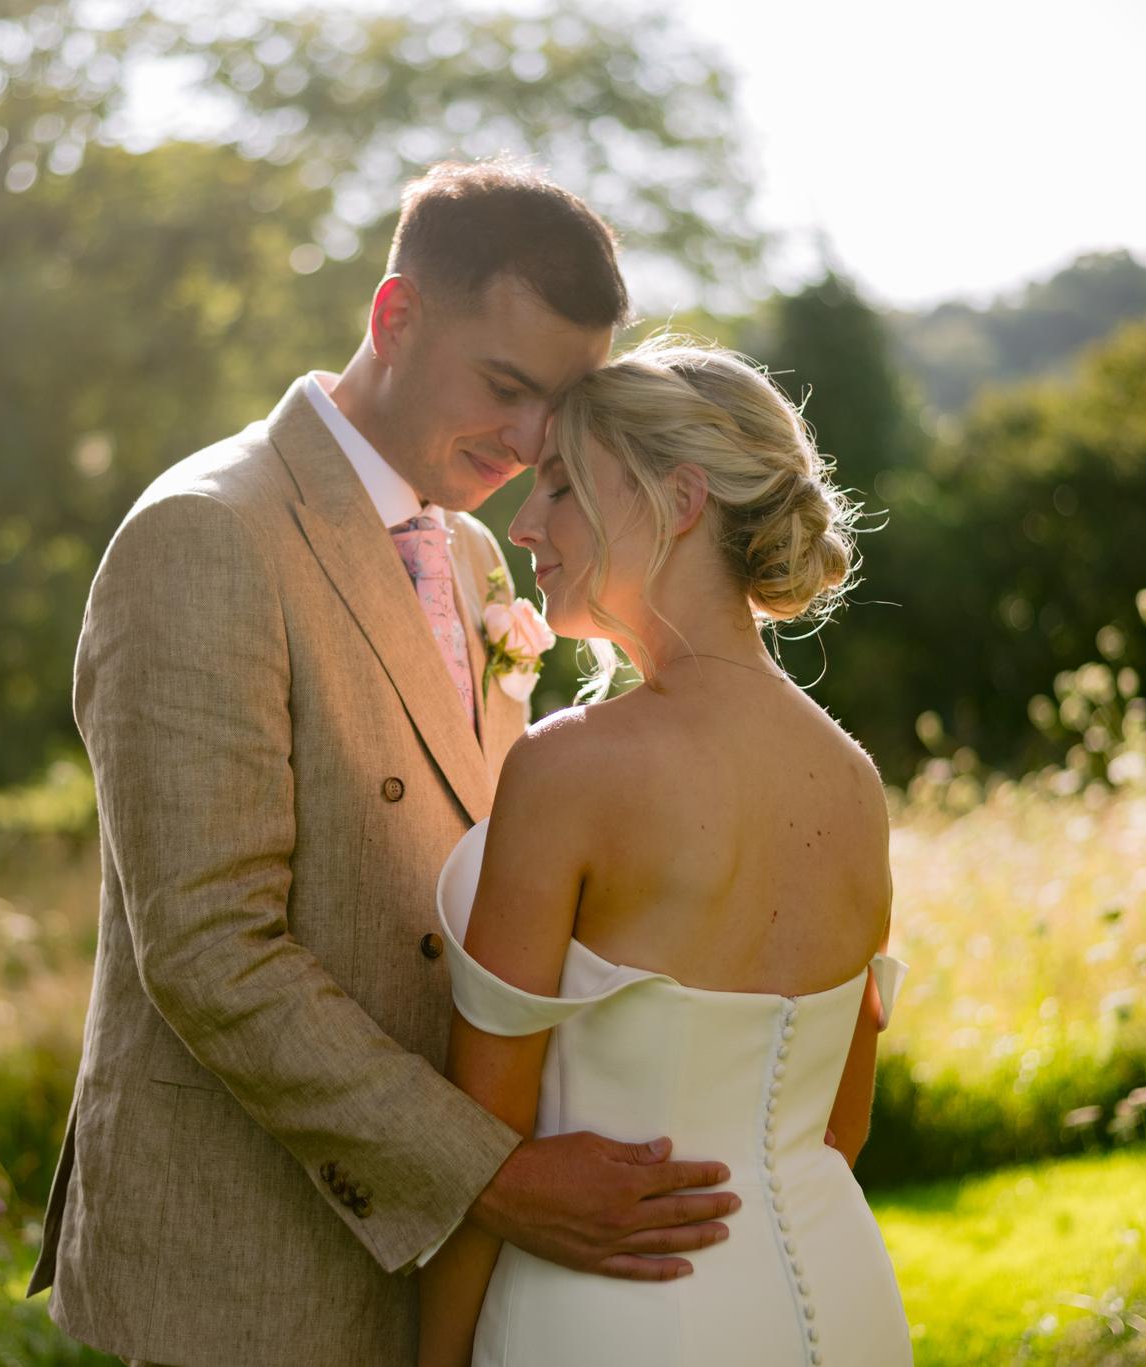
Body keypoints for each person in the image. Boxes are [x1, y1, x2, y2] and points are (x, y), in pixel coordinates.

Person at [27, 162, 741, 1367]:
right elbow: (210, 950)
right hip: (251, 1268)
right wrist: (496, 1174)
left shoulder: (471, 557)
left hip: (441, 1257)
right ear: (392, 317)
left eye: (555, 405)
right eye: (504, 386)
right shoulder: (203, 533)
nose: (526, 444)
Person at [417, 337, 913, 1366]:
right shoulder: (853, 780)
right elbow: (839, 1126)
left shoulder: (570, 771)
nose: (523, 523)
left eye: (559, 485)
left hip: (618, 1315)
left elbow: (482, 1153)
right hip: (844, 1293)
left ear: (678, 496)